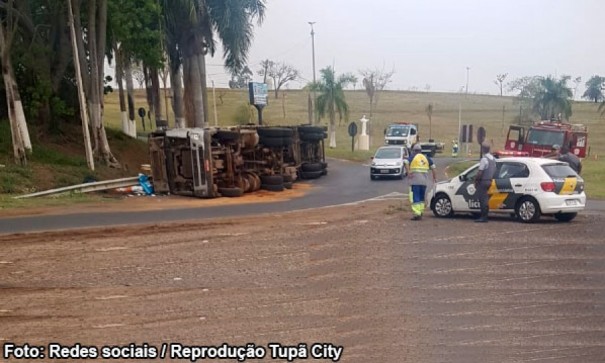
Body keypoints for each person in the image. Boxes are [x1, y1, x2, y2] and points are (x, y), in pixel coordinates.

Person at [404, 143, 437, 221]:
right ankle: (421, 211)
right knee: (422, 198)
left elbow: (405, 162)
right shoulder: (426, 158)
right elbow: (433, 168)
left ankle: (417, 214)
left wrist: (408, 172)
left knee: (415, 197)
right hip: (424, 182)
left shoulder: (413, 156)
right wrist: (434, 178)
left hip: (415, 181)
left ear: (414, 150)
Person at [473, 143, 497, 223]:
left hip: (483, 181)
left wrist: (476, 180)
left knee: (482, 199)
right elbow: (494, 170)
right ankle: (484, 216)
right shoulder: (493, 159)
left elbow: (480, 172)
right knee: (485, 198)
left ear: (483, 149)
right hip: (489, 180)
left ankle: (483, 217)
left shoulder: (484, 159)